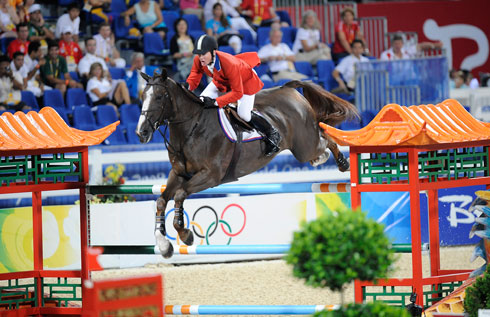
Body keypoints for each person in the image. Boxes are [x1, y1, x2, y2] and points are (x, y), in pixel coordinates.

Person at [186, 35, 280, 156]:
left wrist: (216, 102)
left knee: (244, 114)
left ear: (213, 52)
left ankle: (272, 132)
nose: (201, 57)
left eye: (203, 54)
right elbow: (195, 73)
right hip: (223, 80)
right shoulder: (200, 60)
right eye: (199, 54)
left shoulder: (229, 64)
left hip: (245, 81)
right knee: (201, 101)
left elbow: (237, 93)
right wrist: (187, 86)